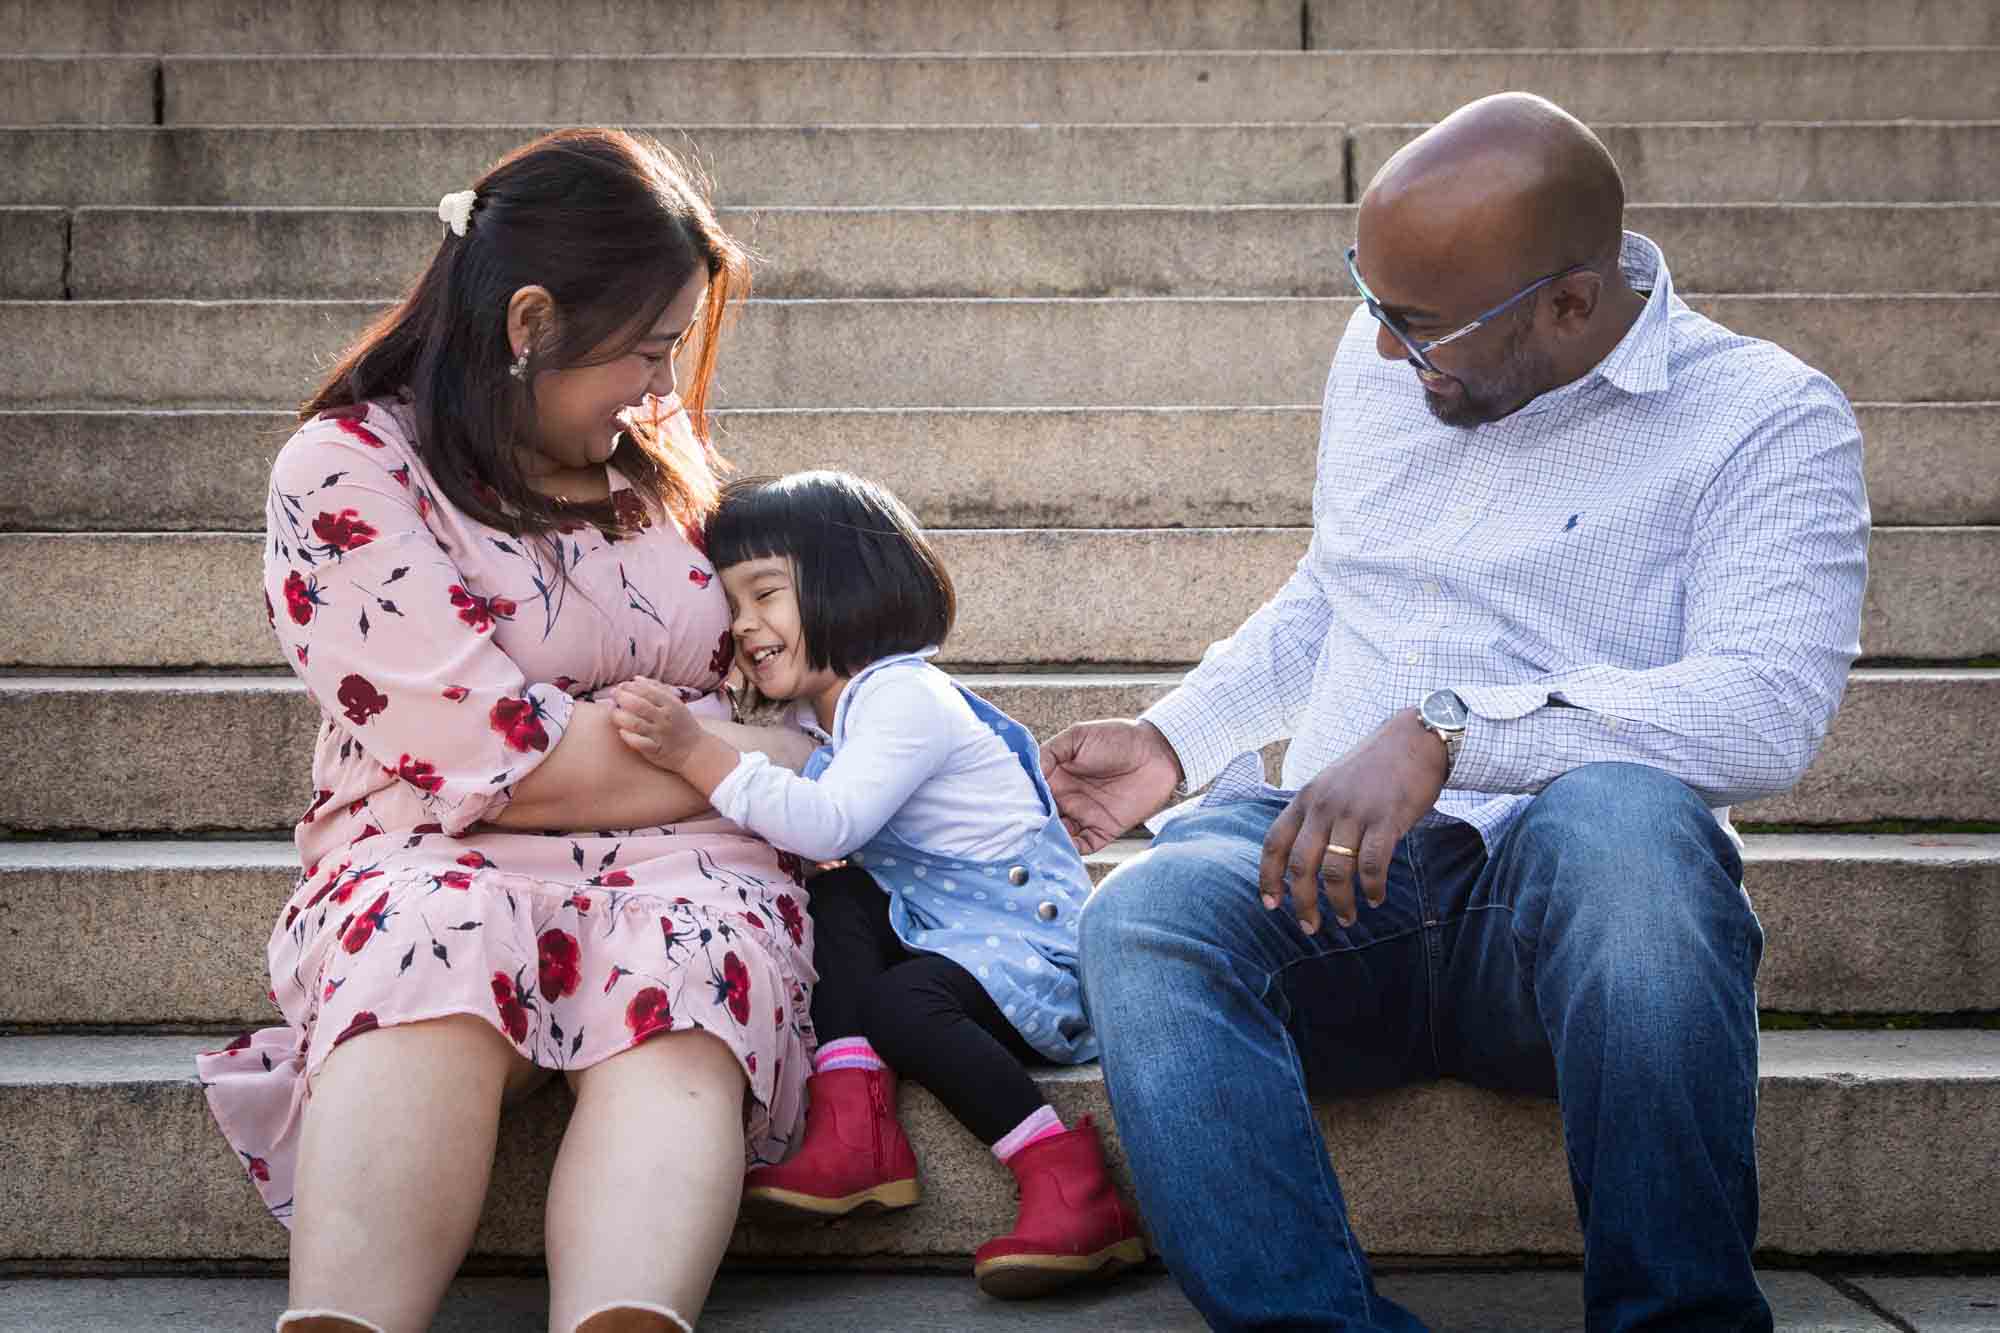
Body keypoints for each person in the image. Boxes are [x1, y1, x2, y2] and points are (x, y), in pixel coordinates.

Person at [1044, 93, 1869, 1332]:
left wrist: (1452, 728)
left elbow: (1764, 709)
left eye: (1417, 326)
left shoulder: (1763, 419)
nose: (1381, 350)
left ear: (1569, 305)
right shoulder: (1388, 351)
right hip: (1331, 882)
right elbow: (1342, 587)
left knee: (1629, 831)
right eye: (1370, 304)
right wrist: (1179, 734)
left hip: (1562, 931)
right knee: (1145, 913)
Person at [196, 129, 824, 1333]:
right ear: (529, 321)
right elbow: (496, 759)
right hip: (432, 851)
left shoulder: (656, 464)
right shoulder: (346, 470)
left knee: (690, 956)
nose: (661, 384)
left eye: (673, 347)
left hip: (689, 863)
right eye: (647, 347)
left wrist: (738, 751)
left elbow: (773, 665)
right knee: (430, 930)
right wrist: (751, 764)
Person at [608, 471, 1147, 1299]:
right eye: (732, 606)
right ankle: (855, 1125)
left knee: (904, 1001)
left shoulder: (902, 695)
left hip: (1026, 946)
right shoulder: (822, 712)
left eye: (766, 595)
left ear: (848, 582)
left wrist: (695, 752)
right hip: (940, 919)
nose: (745, 625)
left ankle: (1071, 1180)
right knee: (835, 901)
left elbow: (829, 823)